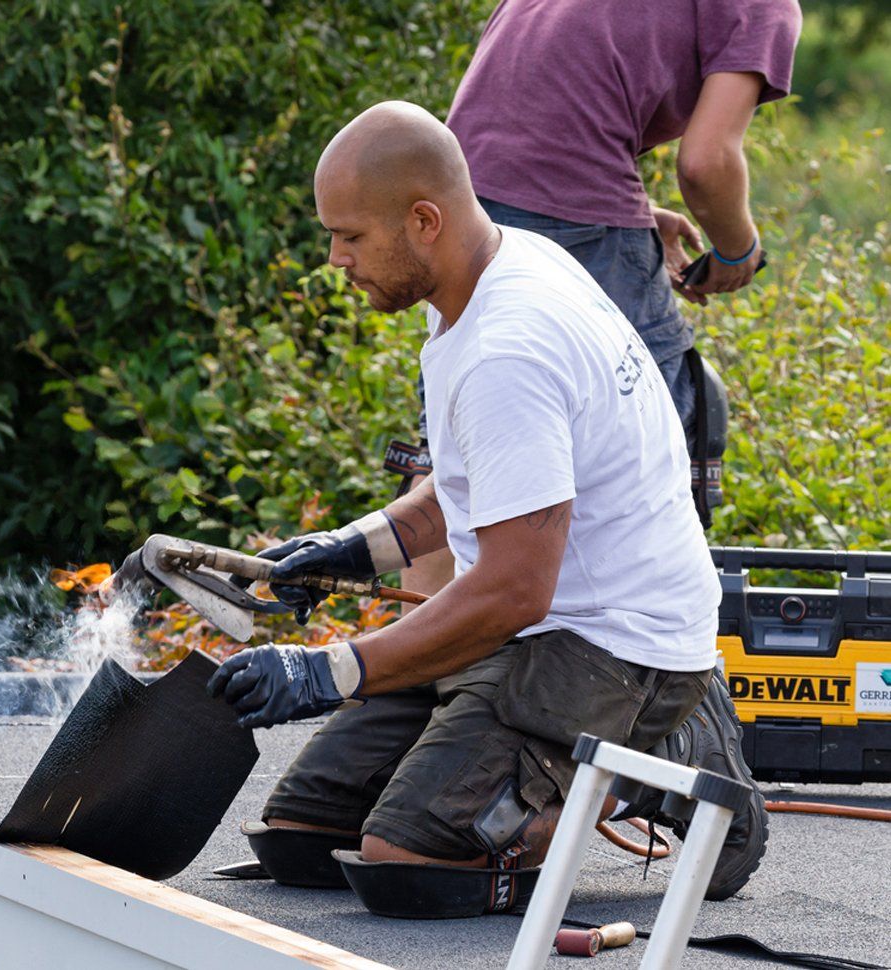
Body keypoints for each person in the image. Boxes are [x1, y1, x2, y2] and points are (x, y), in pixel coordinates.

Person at [209, 101, 763, 918]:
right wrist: (352, 548)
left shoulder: (508, 348)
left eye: (349, 237)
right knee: (300, 837)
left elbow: (512, 591)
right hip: (522, 633)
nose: (335, 259)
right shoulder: (494, 268)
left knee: (404, 865)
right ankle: (560, 756)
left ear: (422, 220)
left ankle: (662, 758)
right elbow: (488, 483)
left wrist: (325, 671)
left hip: (614, 648)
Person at [395, 0, 802, 597]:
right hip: (565, 197)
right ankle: (641, 635)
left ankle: (420, 643)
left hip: (462, 196)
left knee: (457, 446)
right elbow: (706, 163)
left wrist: (632, 212)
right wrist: (739, 251)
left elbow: (537, 103)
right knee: (652, 423)